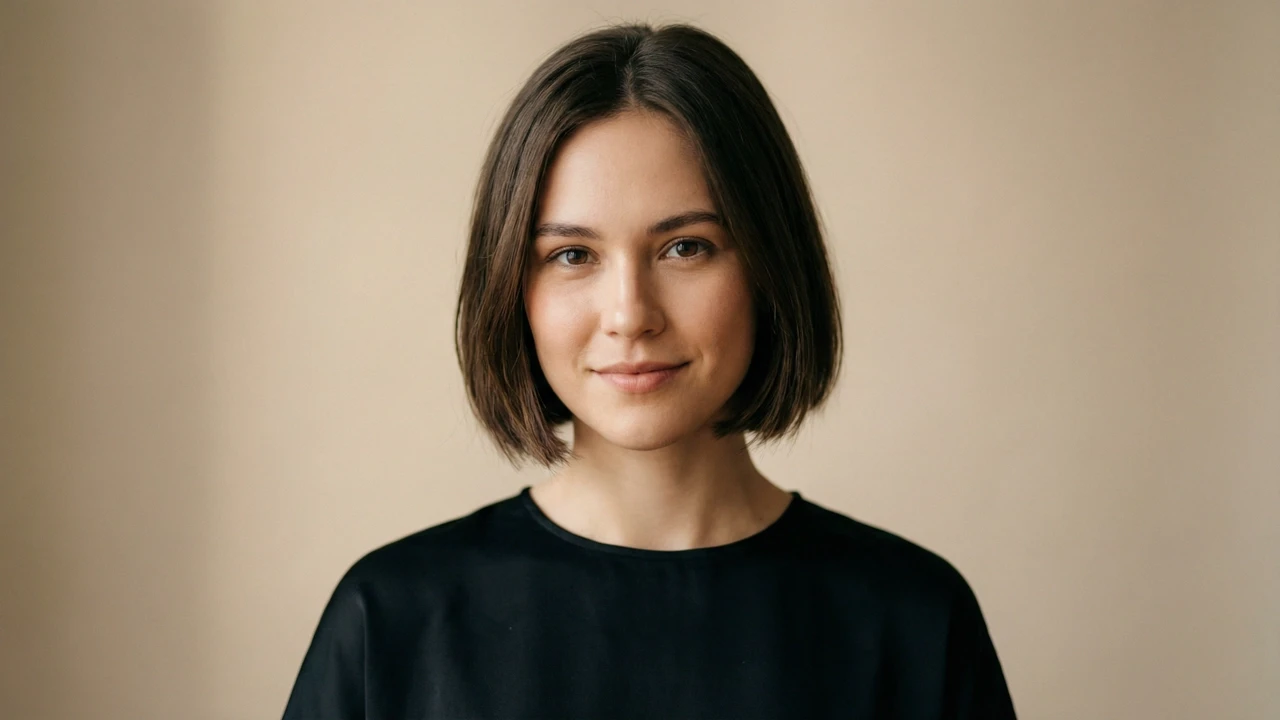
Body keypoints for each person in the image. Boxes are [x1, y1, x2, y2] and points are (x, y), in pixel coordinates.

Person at [282, 22, 1016, 720]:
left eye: (686, 248)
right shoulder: (389, 620)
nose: (630, 313)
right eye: (573, 256)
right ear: (514, 288)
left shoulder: (916, 621)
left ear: (770, 266)